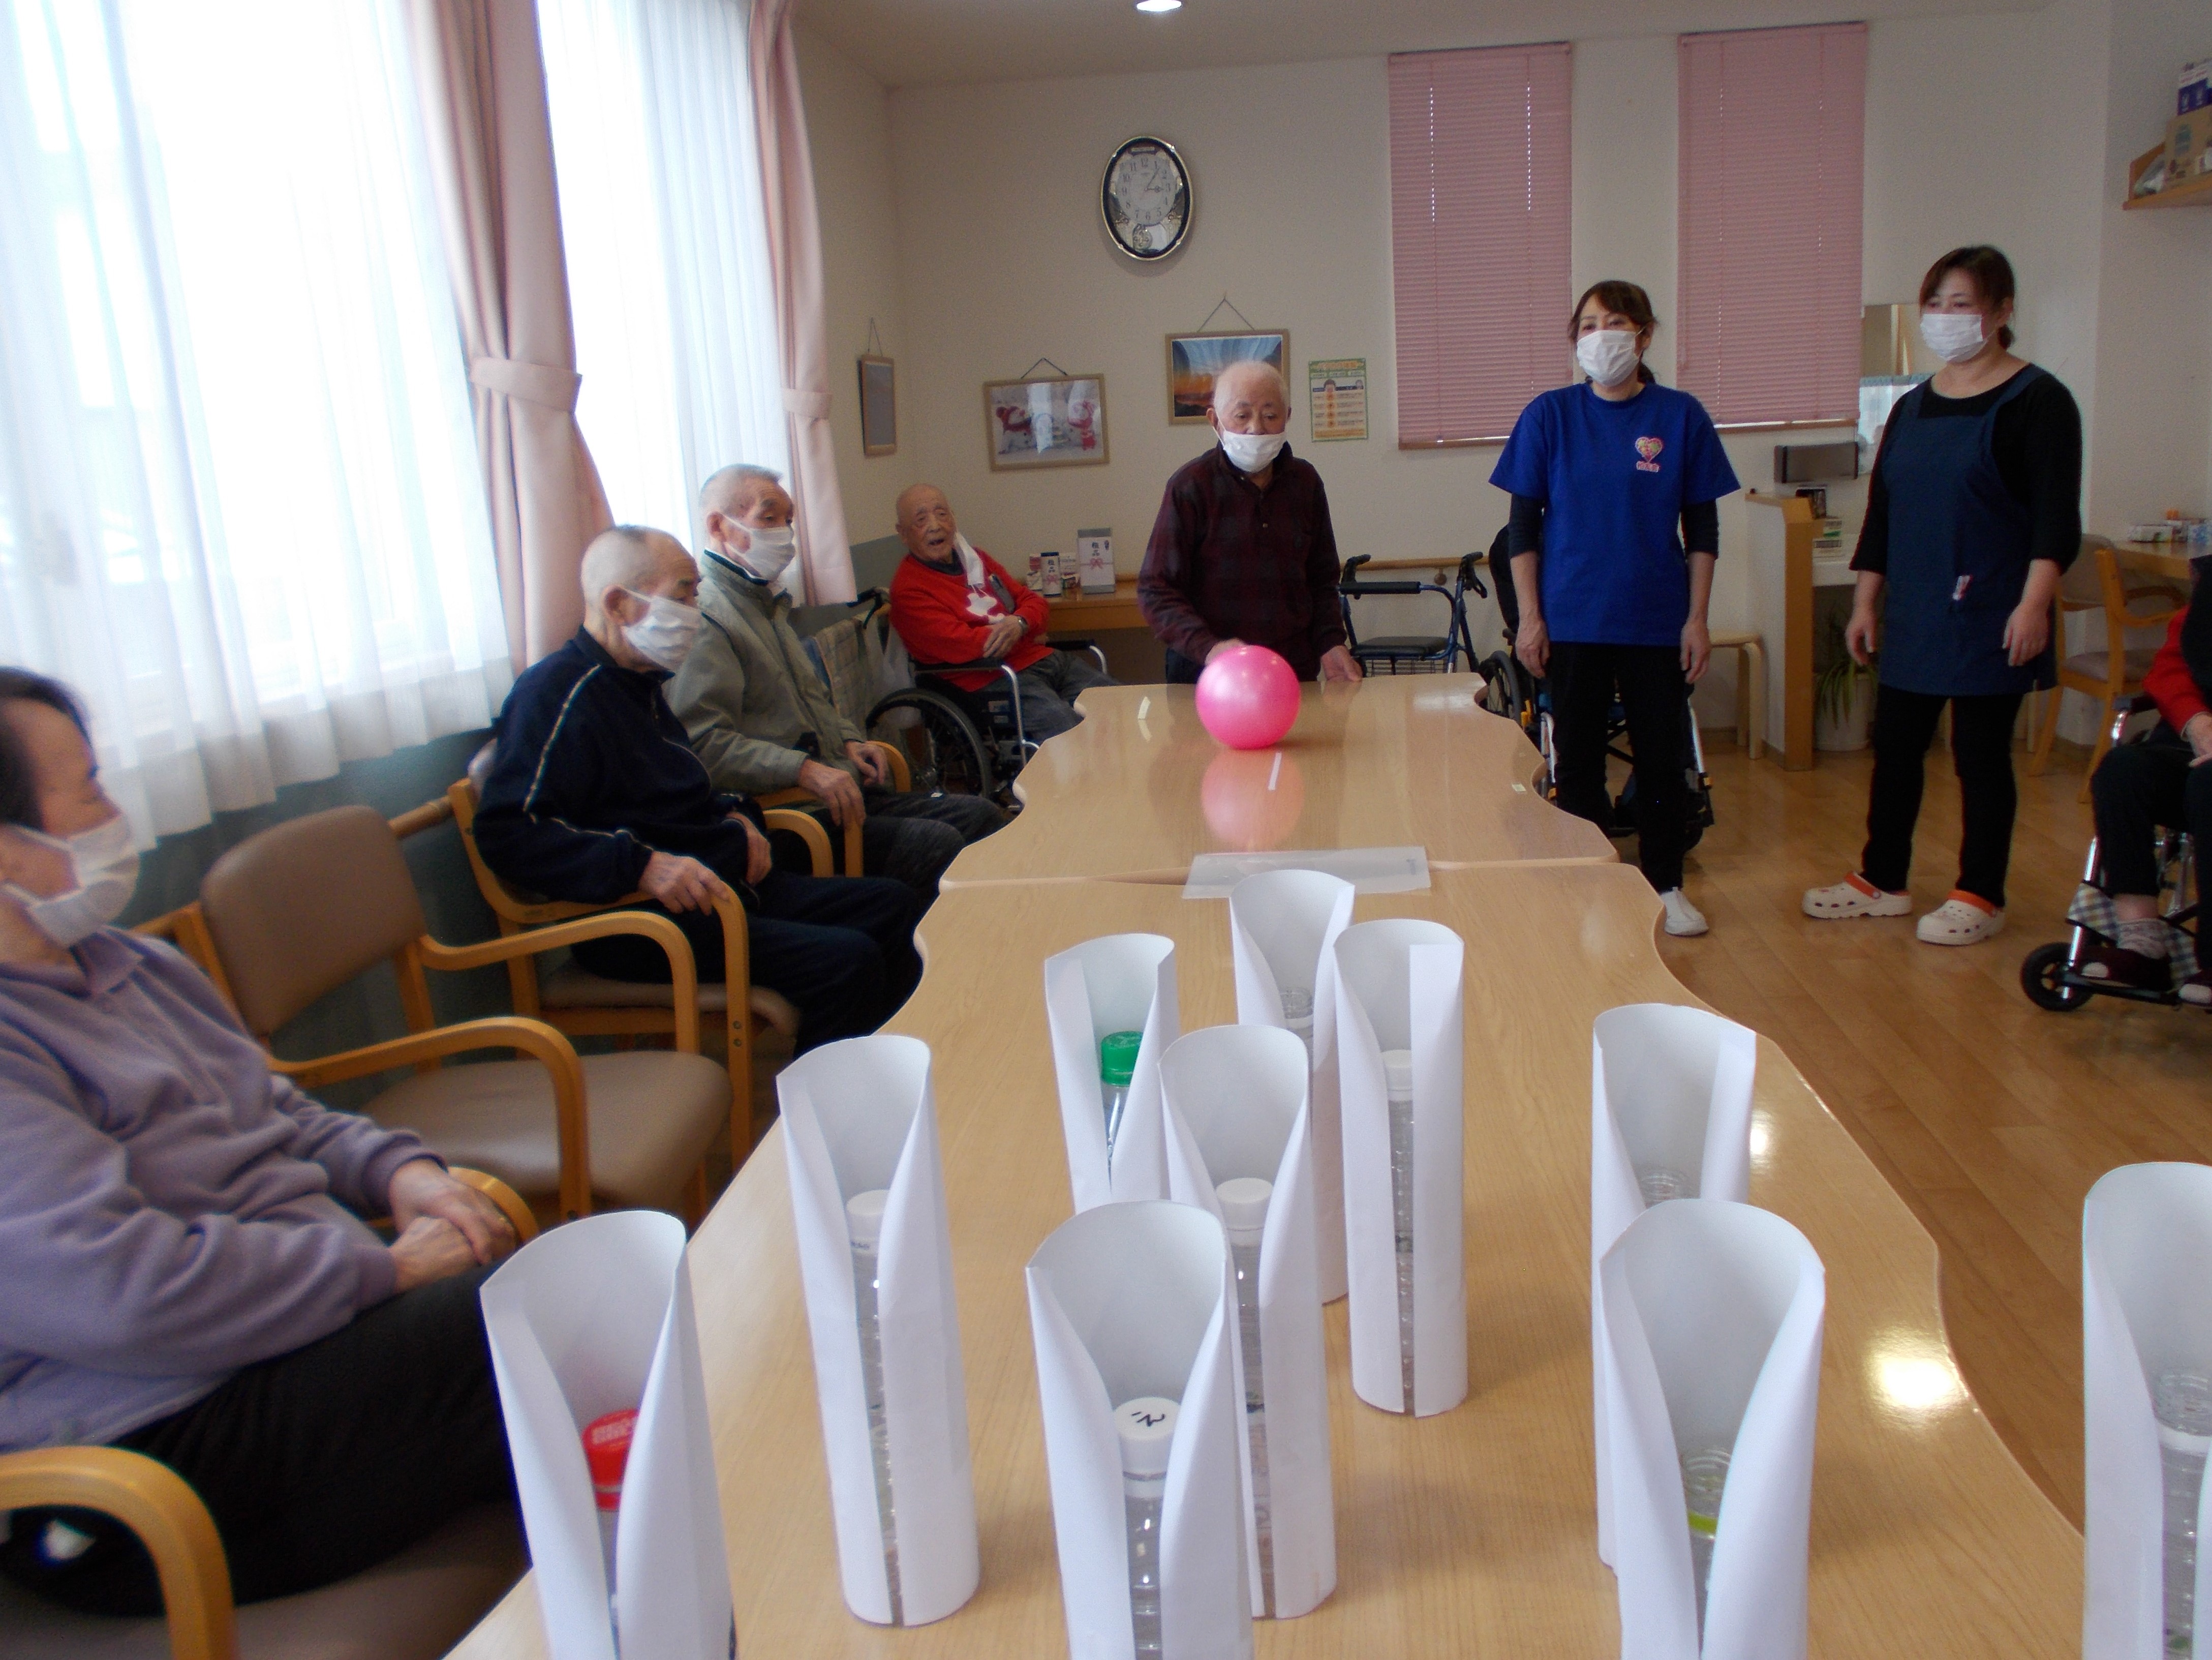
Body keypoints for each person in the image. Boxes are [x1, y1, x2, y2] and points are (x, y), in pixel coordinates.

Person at [0, 669, 519, 1616]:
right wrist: (385, 1273)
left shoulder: (135, 964)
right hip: (140, 1457)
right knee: (549, 1320)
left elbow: (279, 1110)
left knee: (564, 1375)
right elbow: (127, 1292)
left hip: (291, 1350)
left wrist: (399, 1171)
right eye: (89, 792)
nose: (115, 815)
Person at [473, 526, 922, 1051]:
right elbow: (509, 832)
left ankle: (894, 1066)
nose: (694, 610)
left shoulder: (641, 682)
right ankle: (830, 1099)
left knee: (893, 906)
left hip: (721, 888)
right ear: (618, 604)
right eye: (682, 595)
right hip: (645, 919)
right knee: (845, 961)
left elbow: (687, 791)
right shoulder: (557, 694)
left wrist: (737, 815)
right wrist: (641, 865)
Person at [1803, 247, 2082, 946]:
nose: (1945, 317)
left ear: (2002, 311)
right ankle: (1882, 879)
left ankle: (1980, 892)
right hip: (1917, 608)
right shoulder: (1912, 407)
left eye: (1962, 304)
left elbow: (2055, 519)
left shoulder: (2038, 402)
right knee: (1896, 746)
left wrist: (2033, 604)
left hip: (1995, 607)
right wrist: (1865, 602)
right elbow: (1883, 516)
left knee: (1979, 754)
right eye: (1935, 303)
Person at [1491, 280, 1739, 939]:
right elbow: (1522, 529)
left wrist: (1697, 619)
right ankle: (1591, 879)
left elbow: (1703, 530)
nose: (1600, 336)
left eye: (1616, 322)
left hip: (1656, 621)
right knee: (1576, 762)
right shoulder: (1549, 416)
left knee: (1660, 759)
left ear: (1644, 335)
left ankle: (1665, 885)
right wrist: (1530, 619)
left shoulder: (1680, 417)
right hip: (1572, 619)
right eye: (1588, 325)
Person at [668, 465, 1005, 901]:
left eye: (788, 520)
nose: (785, 532)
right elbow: (704, 746)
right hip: (787, 814)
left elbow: (814, 699)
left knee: (982, 815)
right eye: (769, 518)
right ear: (718, 526)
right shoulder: (708, 618)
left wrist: (848, 738)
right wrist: (803, 769)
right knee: (936, 845)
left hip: (836, 791)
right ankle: (935, 942)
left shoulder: (767, 603)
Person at [1140, 360, 1364, 685]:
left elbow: (1321, 580)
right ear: (1215, 421)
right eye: (1242, 415)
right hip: (1207, 678)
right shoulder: (1190, 486)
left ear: (1287, 417)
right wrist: (1210, 648)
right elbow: (1156, 590)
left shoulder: (1305, 483)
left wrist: (1331, 643)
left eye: (1270, 416)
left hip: (1291, 673)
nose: (1256, 428)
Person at [886, 483, 1120, 741]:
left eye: (942, 514)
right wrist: (1025, 630)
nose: (935, 525)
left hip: (1039, 659)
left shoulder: (977, 560)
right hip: (988, 679)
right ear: (903, 534)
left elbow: (1034, 602)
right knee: (1068, 729)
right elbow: (963, 643)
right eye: (921, 520)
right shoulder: (909, 588)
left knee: (1118, 704)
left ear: (953, 518)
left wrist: (1020, 623)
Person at [2079, 599, 2210, 1002]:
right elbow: (2170, 670)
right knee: (2121, 771)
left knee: (2207, 784)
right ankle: (2143, 943)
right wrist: (2198, 723)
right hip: (2192, 742)